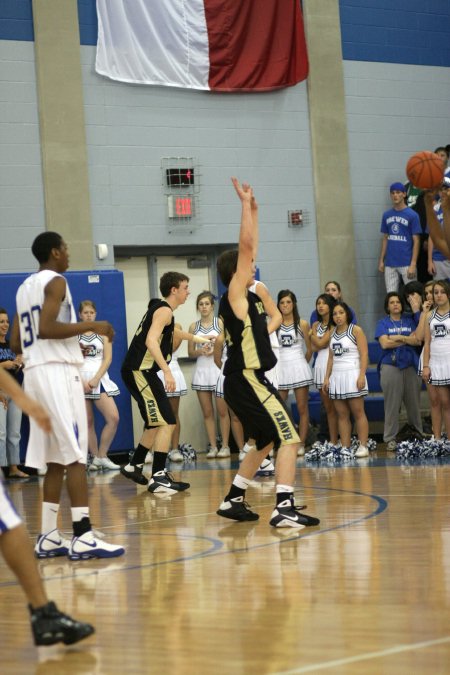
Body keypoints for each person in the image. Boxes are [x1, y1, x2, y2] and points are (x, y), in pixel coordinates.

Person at [11, 231, 125, 560]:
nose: (68, 253)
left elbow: (17, 342)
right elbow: (46, 327)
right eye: (65, 248)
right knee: (75, 456)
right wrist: (94, 326)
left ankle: (48, 535)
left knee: (56, 460)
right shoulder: (57, 282)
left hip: (34, 373)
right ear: (54, 252)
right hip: (57, 371)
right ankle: (83, 534)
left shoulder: (23, 288)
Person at [216, 177, 319, 529]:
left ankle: (233, 499)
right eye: (249, 265)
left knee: (265, 440)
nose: (254, 265)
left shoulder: (250, 302)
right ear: (236, 274)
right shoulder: (235, 295)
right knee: (289, 436)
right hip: (247, 379)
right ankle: (284, 507)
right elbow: (246, 248)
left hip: (246, 379)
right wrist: (244, 207)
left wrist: (256, 211)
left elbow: (250, 248)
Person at [0, 367, 95, 646]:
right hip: (49, 379)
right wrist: (24, 399)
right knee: (9, 523)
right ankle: (43, 612)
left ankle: (43, 610)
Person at [120, 272, 211, 492]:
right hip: (139, 371)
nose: (188, 291)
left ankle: (135, 465)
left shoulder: (165, 311)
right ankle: (158, 475)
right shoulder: (164, 311)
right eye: (185, 287)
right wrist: (167, 371)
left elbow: (176, 333)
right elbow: (151, 341)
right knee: (164, 421)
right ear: (174, 290)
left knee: (162, 421)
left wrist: (200, 338)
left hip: (145, 372)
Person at [374, 292, 423, 451]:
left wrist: (396, 337)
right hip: (390, 366)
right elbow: (385, 345)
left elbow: (418, 339)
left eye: (398, 302)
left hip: (410, 365)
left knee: (414, 403)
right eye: (392, 302)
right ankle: (390, 438)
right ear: (387, 306)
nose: (395, 304)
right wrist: (406, 338)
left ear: (402, 305)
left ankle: (418, 434)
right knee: (391, 405)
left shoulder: (410, 320)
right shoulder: (382, 323)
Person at [78, 300, 120, 471]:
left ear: (96, 314)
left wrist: (95, 379)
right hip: (79, 380)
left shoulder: (104, 333)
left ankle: (102, 456)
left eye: (91, 312)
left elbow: (107, 359)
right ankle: (94, 457)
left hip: (99, 379)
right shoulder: (73, 335)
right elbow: (70, 361)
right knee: (87, 421)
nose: (89, 315)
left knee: (113, 418)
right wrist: (81, 382)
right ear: (80, 315)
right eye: (85, 312)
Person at [323, 302, 369, 457]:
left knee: (358, 412)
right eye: (335, 313)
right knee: (341, 414)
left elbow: (364, 354)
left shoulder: (356, 330)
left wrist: (361, 375)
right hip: (337, 376)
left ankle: (363, 446)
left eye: (341, 312)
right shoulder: (332, 333)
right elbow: (330, 358)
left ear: (347, 314)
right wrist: (326, 378)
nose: (337, 316)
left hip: (353, 374)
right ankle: (345, 446)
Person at [188, 291, 230, 458]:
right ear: (198, 307)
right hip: (202, 370)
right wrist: (201, 351)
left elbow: (226, 344)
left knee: (222, 411)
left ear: (212, 306)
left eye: (207, 304)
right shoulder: (193, 327)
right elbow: (190, 352)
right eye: (201, 304)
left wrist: (215, 351)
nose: (204, 307)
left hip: (217, 368)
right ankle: (213, 446)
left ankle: (225, 446)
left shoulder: (219, 323)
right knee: (207, 412)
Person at [276, 290, 313, 457]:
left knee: (302, 407)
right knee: (278, 407)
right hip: (281, 368)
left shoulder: (302, 324)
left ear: (294, 304)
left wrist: (302, 364)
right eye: (282, 302)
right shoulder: (274, 324)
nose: (285, 306)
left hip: (298, 366)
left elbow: (310, 349)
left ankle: (301, 443)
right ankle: (284, 441)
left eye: (288, 302)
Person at [378, 182, 422, 292]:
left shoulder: (412, 215)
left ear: (404, 194)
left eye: (398, 192)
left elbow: (416, 241)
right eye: (392, 193)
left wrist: (413, 263)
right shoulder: (386, 215)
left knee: (413, 294)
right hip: (390, 263)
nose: (395, 195)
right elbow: (385, 238)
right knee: (391, 295)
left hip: (407, 262)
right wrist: (381, 260)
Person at [413, 281, 442, 439]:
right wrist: (423, 313)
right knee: (435, 401)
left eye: (433, 292)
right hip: (429, 358)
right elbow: (419, 337)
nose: (431, 295)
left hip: (445, 356)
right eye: (428, 293)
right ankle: (437, 437)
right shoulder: (427, 313)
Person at [0, 308, 27, 477]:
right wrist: (4, 365)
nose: (5, 325)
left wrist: (18, 363)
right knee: (1, 433)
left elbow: (18, 370)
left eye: (7, 321)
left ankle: (14, 467)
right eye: (1, 322)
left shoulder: (11, 345)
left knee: (14, 432)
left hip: (15, 390)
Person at [422, 280, 450, 439]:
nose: (438, 295)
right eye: (435, 292)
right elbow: (427, 342)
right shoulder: (429, 316)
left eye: (442, 292)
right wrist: (426, 366)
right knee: (444, 402)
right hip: (437, 363)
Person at [157, 322, 188, 462]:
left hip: (172, 370)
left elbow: (166, 351)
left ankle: (174, 449)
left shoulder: (177, 327)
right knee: (155, 415)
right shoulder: (151, 328)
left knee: (173, 413)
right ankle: (154, 450)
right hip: (154, 372)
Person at [310, 294, 338, 446]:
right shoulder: (315, 325)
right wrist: (316, 340)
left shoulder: (334, 325)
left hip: (332, 363)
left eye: (324, 303)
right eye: (318, 303)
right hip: (319, 365)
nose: (320, 306)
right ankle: (330, 441)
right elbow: (314, 347)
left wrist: (311, 336)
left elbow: (320, 344)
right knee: (328, 408)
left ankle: (337, 440)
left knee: (338, 407)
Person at [426, 178, 450, 281]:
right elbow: (432, 236)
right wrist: (430, 260)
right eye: (441, 189)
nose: (443, 192)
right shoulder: (435, 209)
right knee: (439, 292)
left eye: (446, 189)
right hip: (439, 257)